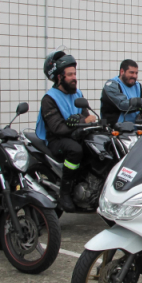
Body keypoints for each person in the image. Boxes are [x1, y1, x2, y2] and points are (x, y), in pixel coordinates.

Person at [35, 49, 97, 212]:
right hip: (55, 140)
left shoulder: (77, 93)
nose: (74, 78)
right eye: (69, 75)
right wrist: (81, 122)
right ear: (59, 77)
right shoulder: (49, 99)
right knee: (75, 150)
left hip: (75, 135)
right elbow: (57, 127)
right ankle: (65, 192)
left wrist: (86, 123)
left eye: (74, 74)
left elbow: (87, 118)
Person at [100, 59, 142, 127]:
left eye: (136, 73)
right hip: (116, 131)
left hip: (136, 129)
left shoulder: (138, 86)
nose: (135, 76)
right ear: (122, 71)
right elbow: (123, 105)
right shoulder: (111, 85)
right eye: (131, 72)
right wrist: (140, 103)